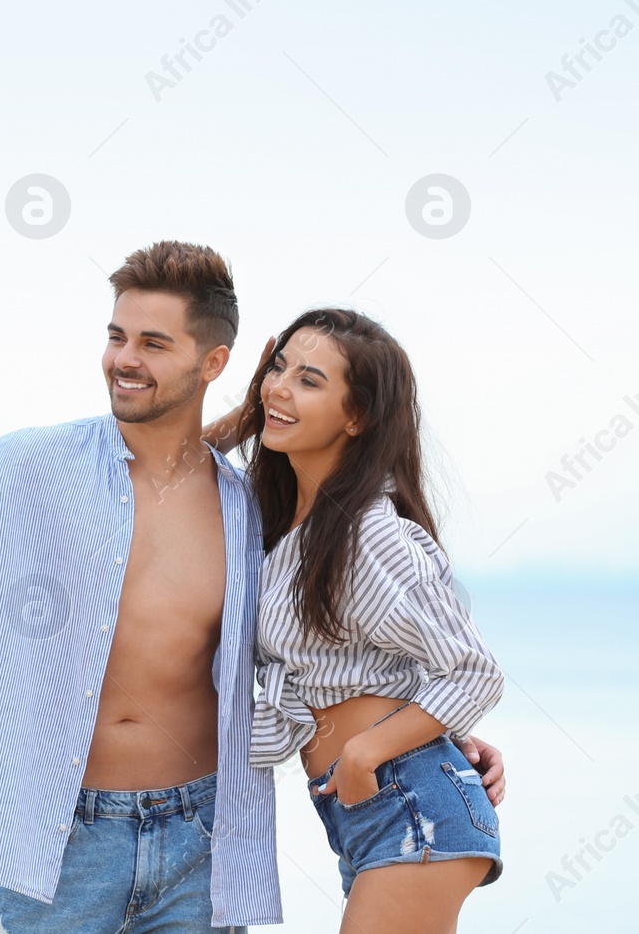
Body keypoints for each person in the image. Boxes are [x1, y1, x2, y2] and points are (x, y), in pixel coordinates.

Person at [0, 241, 503, 931]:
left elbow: (347, 652)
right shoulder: (31, 467)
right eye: (117, 335)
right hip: (61, 845)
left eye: (154, 342)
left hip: (201, 844)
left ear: (213, 361)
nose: (125, 357)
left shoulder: (250, 513)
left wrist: (429, 742)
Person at [206, 308, 505, 933]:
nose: (281, 386)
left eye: (310, 380)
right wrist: (247, 419)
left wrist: (368, 750)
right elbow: (156, 476)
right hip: (370, 812)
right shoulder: (285, 524)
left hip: (411, 803)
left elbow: (474, 672)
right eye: (277, 367)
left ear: (357, 416)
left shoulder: (369, 534)